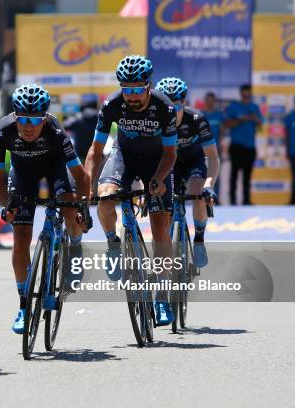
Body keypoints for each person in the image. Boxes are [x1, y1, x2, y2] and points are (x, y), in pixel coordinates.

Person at [0, 84, 90, 333]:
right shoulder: (2, 131)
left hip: (55, 168)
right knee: (21, 237)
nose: (29, 126)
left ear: (44, 117)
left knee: (68, 207)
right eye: (23, 119)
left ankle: (74, 250)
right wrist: (8, 206)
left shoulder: (56, 132)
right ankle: (24, 305)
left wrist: (83, 207)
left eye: (35, 120)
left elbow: (81, 175)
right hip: (23, 173)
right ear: (15, 116)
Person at [85, 55, 177, 326]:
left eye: (138, 90)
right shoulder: (112, 104)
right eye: (127, 90)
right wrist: (87, 187)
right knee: (105, 197)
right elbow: (95, 150)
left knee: (161, 230)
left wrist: (159, 178)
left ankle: (161, 297)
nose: (132, 96)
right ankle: (113, 242)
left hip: (156, 161)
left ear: (148, 87)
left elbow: (171, 154)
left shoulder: (164, 107)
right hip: (123, 155)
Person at [155, 77, 220, 267]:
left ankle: (199, 240)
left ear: (184, 103)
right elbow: (147, 159)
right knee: (162, 199)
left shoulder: (197, 119)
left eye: (175, 106)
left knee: (197, 194)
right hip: (169, 164)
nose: (170, 112)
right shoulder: (154, 122)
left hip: (193, 162)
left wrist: (209, 184)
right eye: (165, 106)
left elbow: (213, 158)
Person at [224, 84, 262, 205]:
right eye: (244, 93)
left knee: (247, 176)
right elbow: (227, 124)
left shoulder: (254, 107)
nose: (246, 96)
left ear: (250, 94)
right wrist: (242, 119)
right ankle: (233, 201)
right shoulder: (234, 106)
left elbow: (260, 125)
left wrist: (255, 119)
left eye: (248, 93)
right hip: (236, 146)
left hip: (250, 147)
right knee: (234, 174)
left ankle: (246, 200)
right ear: (241, 93)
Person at [63, 95, 100, 164]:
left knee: (83, 173)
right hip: (94, 152)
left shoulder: (79, 117)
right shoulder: (98, 118)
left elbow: (65, 126)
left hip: (82, 153)